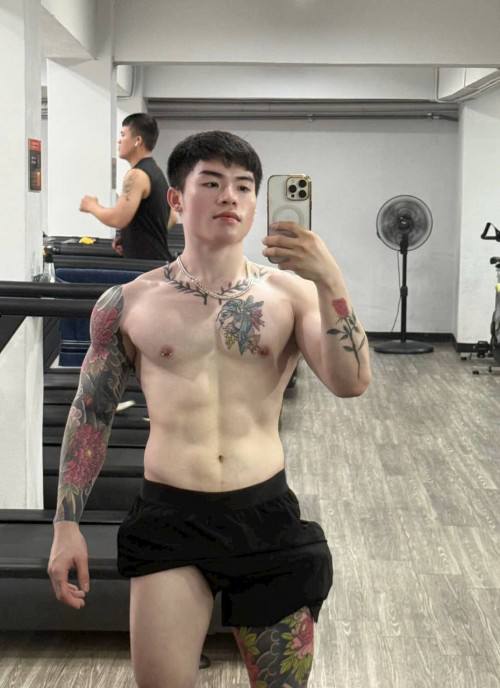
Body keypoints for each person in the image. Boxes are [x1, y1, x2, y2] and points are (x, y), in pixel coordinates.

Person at [49, 130, 372, 688]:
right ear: (176, 199)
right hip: (169, 518)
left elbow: (352, 382)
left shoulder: (291, 295)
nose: (230, 197)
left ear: (256, 203)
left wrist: (329, 278)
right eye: (213, 183)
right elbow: (91, 415)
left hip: (265, 516)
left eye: (244, 186)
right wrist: (65, 525)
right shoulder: (129, 302)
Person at [79, 113, 175, 260]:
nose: (119, 140)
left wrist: (92, 206)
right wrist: (131, 236)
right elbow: (172, 217)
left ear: (137, 141)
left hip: (145, 265)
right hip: (156, 261)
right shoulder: (155, 171)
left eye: (123, 135)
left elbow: (117, 219)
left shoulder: (136, 175)